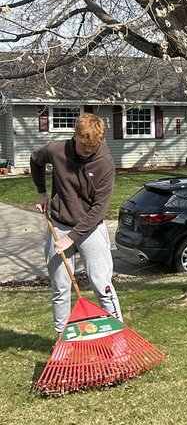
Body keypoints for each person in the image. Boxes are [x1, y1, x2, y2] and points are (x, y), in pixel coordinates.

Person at [31, 112, 123, 334]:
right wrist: (42, 192)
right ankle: (62, 340)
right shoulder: (56, 150)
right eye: (84, 146)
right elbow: (35, 160)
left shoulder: (105, 163)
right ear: (75, 136)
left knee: (102, 284)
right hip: (59, 224)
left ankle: (118, 337)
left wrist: (71, 237)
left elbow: (99, 209)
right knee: (60, 287)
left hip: (91, 229)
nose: (88, 151)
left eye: (93, 147)